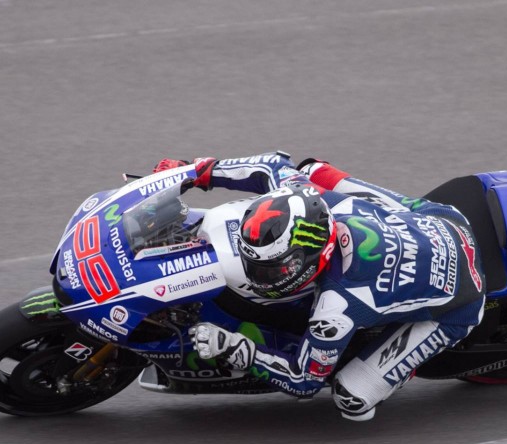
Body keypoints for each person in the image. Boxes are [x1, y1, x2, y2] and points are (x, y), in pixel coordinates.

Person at [154, 152, 486, 421]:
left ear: (314, 256)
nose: (258, 275)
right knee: (312, 169)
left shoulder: (337, 307)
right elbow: (269, 165)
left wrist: (235, 348)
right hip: (441, 218)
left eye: (271, 269)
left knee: (351, 398)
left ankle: (396, 366)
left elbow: (304, 381)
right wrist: (191, 172)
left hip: (459, 301)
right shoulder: (308, 197)